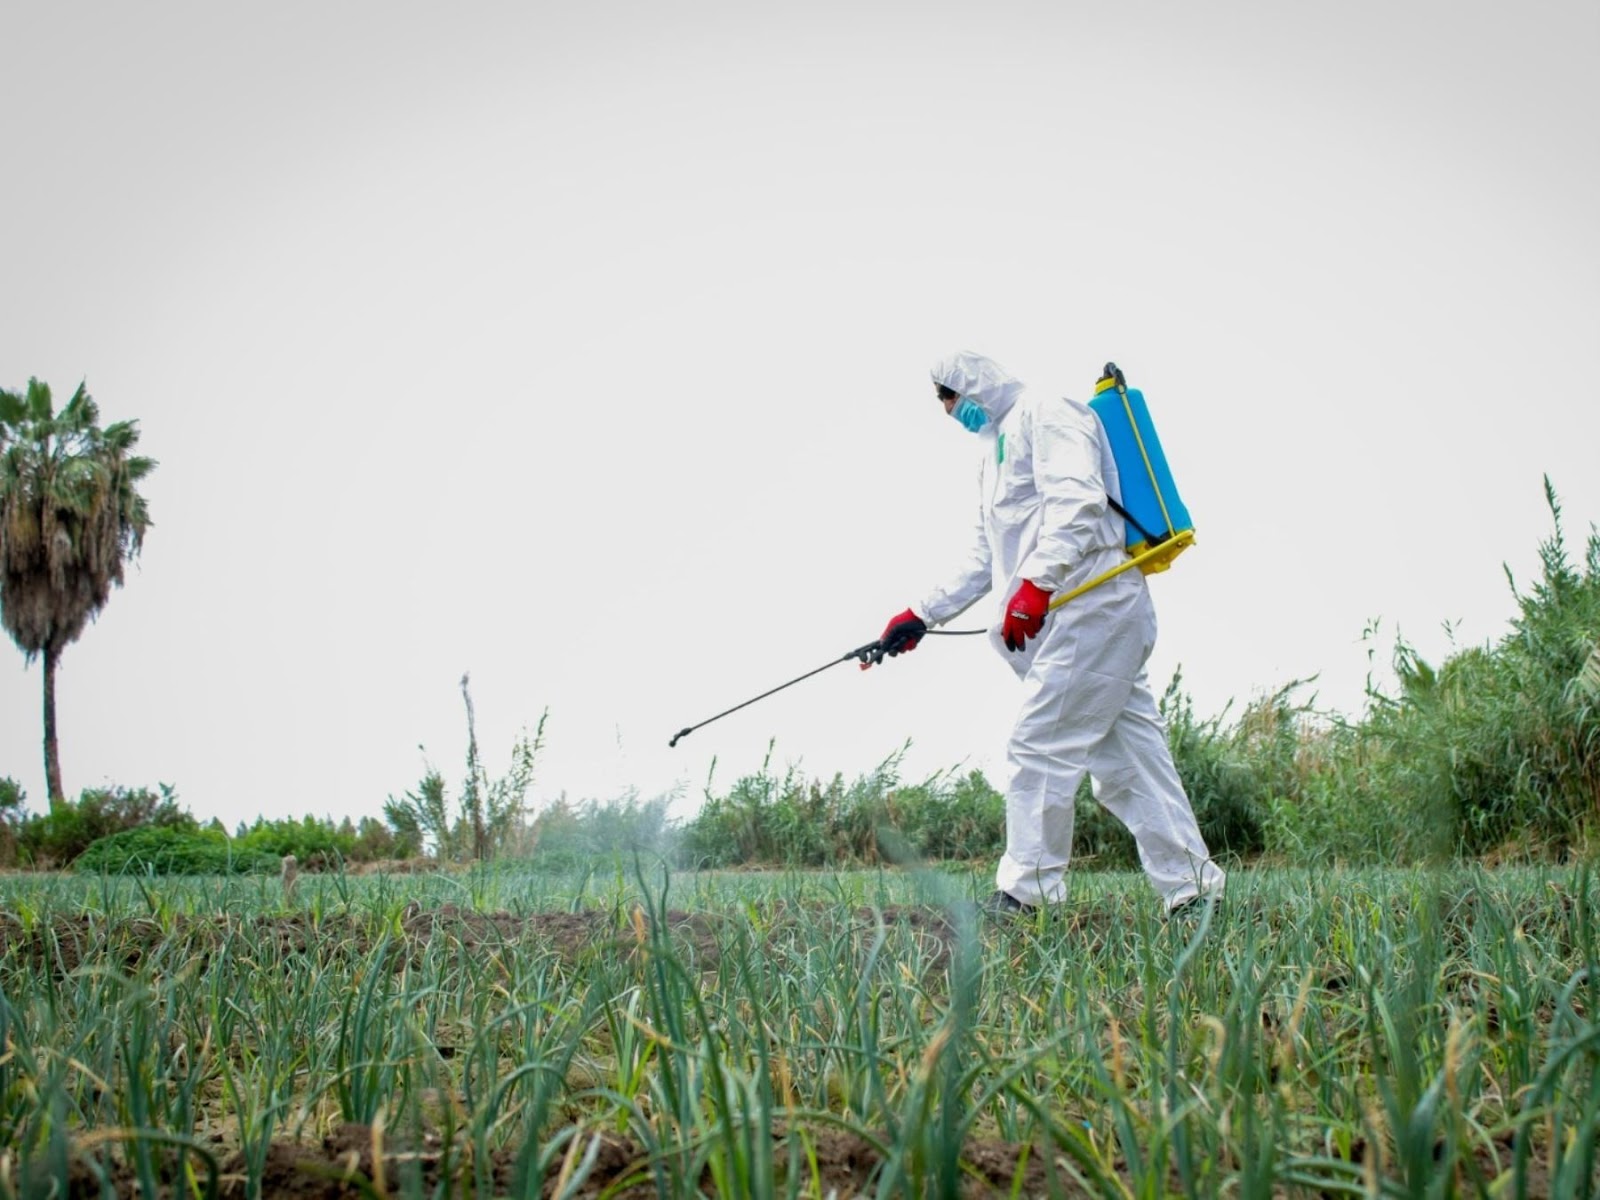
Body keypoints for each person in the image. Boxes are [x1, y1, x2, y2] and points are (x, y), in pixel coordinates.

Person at [870, 351, 1225, 916]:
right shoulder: (993, 457)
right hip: (1072, 620)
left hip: (1095, 607)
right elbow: (986, 556)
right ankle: (1194, 895)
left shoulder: (1047, 413)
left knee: (1038, 744)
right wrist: (921, 615)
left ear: (971, 384)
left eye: (948, 396)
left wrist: (1037, 583)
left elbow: (1079, 502)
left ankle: (1027, 896)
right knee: (1131, 764)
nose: (946, 411)